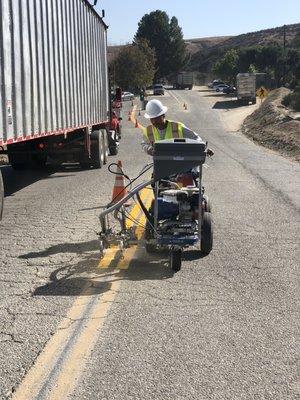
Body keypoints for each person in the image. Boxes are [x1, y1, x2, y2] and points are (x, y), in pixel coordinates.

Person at [141, 99, 214, 156]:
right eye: (152, 119)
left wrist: (203, 148)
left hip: (180, 165)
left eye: (157, 118)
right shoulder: (148, 131)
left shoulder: (178, 127)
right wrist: (150, 150)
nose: (154, 122)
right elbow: (144, 144)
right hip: (160, 165)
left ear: (163, 115)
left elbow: (196, 139)